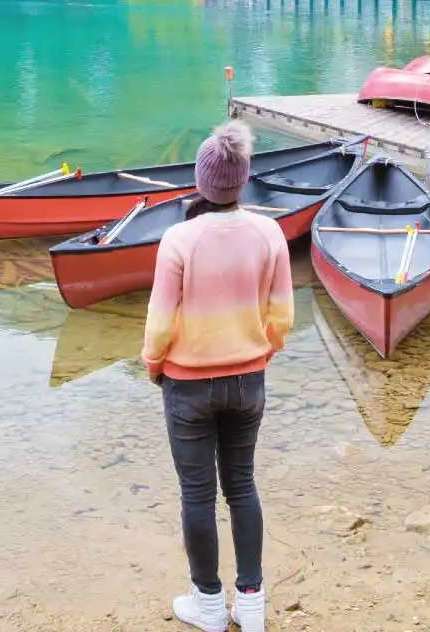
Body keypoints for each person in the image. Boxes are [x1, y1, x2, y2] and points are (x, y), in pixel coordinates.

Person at [143, 121, 291, 632]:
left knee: (197, 495)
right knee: (243, 486)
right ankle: (250, 603)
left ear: (202, 181)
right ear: (243, 180)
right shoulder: (269, 232)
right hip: (249, 381)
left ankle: (207, 605)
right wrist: (260, 353)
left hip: (188, 386)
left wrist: (153, 363)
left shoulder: (178, 238)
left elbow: (160, 324)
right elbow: (282, 317)